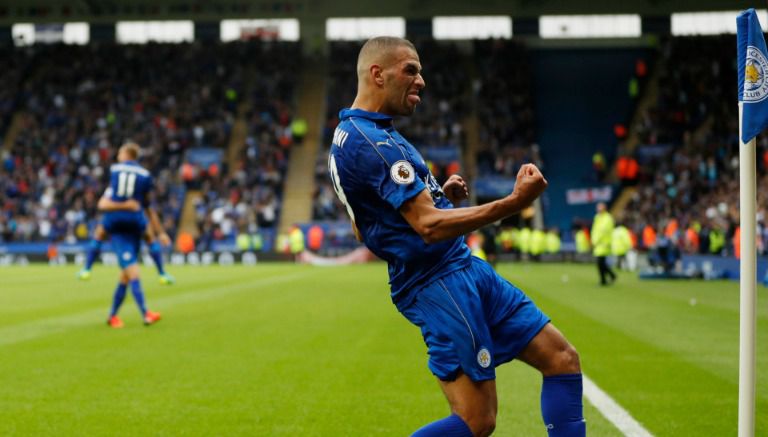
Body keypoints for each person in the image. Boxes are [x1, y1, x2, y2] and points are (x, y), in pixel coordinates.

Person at [328, 36, 584, 437]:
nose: (422, 81)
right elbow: (426, 227)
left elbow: (368, 225)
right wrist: (514, 203)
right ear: (377, 74)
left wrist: (437, 200)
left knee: (563, 358)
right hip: (437, 283)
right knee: (477, 420)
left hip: (461, 267)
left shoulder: (361, 136)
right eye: (410, 70)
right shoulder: (371, 143)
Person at [98, 142, 162, 328]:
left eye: (119, 152)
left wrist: (159, 232)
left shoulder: (126, 184)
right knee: (133, 273)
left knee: (124, 277)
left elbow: (148, 207)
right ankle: (145, 313)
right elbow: (102, 205)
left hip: (131, 233)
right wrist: (127, 206)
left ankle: (112, 316)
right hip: (119, 234)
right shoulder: (116, 188)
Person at [77, 208, 175, 285]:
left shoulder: (115, 186)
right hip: (135, 216)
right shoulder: (139, 186)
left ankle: (87, 269)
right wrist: (161, 233)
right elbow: (149, 209)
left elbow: (102, 204)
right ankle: (162, 274)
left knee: (99, 233)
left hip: (117, 216)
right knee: (149, 237)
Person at [591, 202, 616, 285]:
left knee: (600, 262)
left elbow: (603, 231)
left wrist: (596, 240)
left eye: (600, 207)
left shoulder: (608, 218)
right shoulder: (597, 217)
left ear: (604, 208)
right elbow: (595, 230)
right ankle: (611, 276)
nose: (598, 209)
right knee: (601, 263)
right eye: (598, 207)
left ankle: (603, 280)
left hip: (605, 243)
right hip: (598, 243)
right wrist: (594, 240)